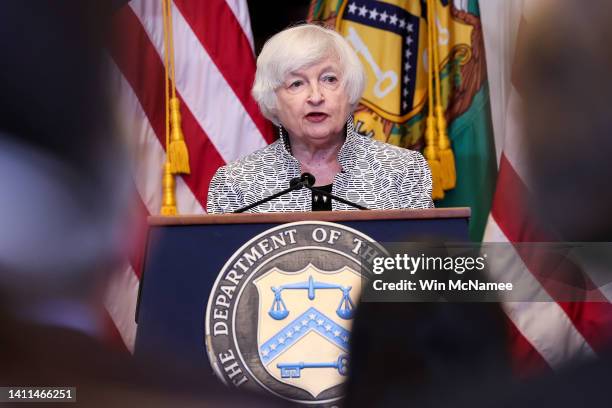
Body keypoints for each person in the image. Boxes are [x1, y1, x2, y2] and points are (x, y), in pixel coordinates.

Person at [207, 24, 434, 213]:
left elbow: (424, 262)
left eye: (329, 79)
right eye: (296, 83)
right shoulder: (236, 184)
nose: (316, 96)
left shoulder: (403, 171)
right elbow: (221, 265)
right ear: (272, 100)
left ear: (350, 90)